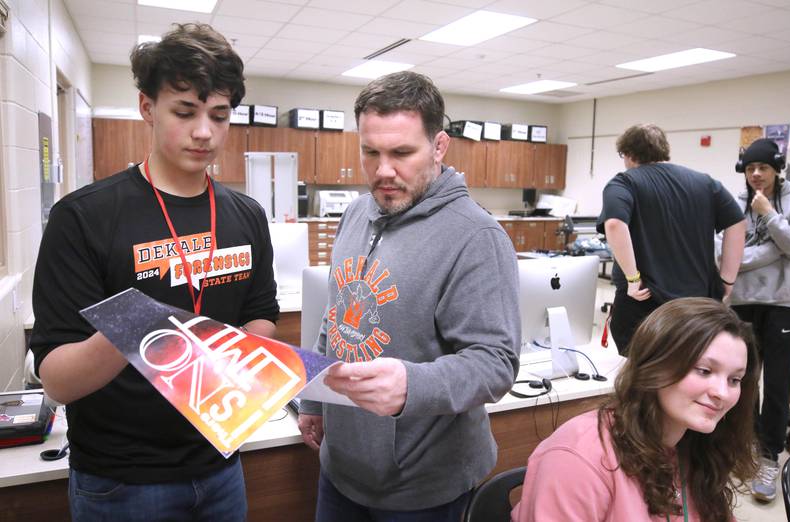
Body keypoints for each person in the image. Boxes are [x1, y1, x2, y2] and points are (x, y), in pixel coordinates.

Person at [29, 24, 279, 521]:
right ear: (147, 107)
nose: (204, 132)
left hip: (222, 466)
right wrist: (138, 327)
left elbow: (261, 316)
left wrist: (239, 359)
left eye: (219, 116)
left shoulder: (246, 215)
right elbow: (56, 379)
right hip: (121, 482)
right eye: (184, 112)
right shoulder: (84, 217)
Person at [297, 71, 521, 521]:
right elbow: (336, 313)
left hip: (422, 489)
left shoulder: (475, 236)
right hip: (340, 468)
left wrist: (410, 386)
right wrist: (316, 401)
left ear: (439, 147)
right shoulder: (358, 212)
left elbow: (495, 362)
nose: (383, 171)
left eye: (401, 153)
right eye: (370, 152)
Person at [512, 297, 760, 522]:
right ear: (656, 365)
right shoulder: (579, 459)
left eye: (734, 380)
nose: (723, 393)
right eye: (704, 371)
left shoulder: (697, 445)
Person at [597, 123, 746, 356]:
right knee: (689, 368)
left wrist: (632, 277)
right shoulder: (705, 183)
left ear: (628, 153)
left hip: (647, 304)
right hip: (697, 306)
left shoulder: (625, 182)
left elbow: (615, 224)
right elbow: (737, 223)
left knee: (647, 374)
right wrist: (727, 279)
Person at [725, 138, 790, 503]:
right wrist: (773, 251)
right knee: (744, 377)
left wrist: (770, 214)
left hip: (785, 302)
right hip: (742, 300)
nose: (756, 175)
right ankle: (745, 446)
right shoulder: (734, 202)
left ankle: (770, 455)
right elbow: (723, 252)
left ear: (777, 169)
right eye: (751, 168)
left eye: (764, 168)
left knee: (777, 383)